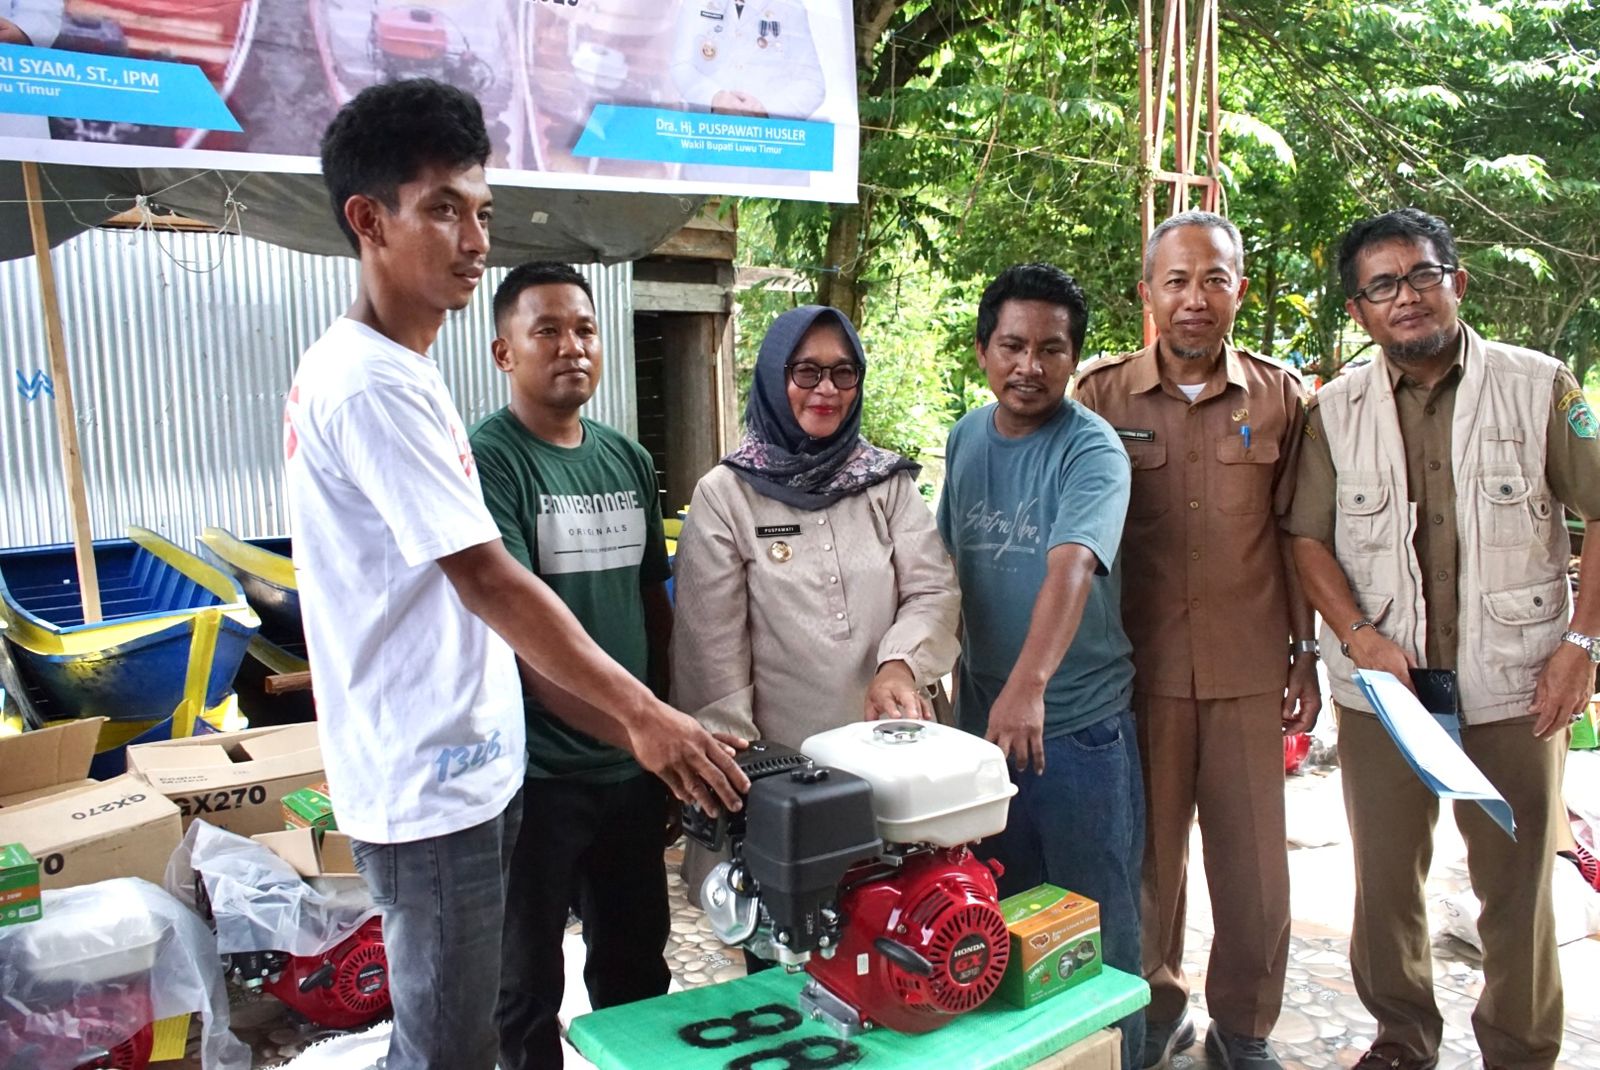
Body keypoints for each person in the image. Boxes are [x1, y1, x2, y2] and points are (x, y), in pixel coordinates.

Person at [284, 79, 746, 1070]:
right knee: (459, 1043)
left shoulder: (404, 372)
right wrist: (646, 718)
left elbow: (642, 599)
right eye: (442, 209)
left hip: (470, 773)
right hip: (431, 787)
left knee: (522, 1008)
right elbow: (491, 581)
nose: (473, 239)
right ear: (368, 220)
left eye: (482, 212)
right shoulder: (370, 385)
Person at [1286, 207, 1600, 1070]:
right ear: (1359, 310)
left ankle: (1520, 1052)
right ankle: (1401, 1041)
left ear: (1456, 281)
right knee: (1387, 884)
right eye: (1382, 285)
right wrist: (1357, 636)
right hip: (1388, 693)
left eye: (1422, 275)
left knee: (1517, 890)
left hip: (1517, 684)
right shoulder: (1332, 411)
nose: (1407, 296)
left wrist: (1583, 646)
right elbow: (1305, 538)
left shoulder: (1540, 388)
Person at [1074, 212, 1320, 1070]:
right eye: (1176, 280)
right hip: (1132, 673)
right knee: (1145, 861)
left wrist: (1306, 656)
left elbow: (1299, 536)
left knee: (1254, 871)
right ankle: (1155, 1011)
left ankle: (1243, 1028)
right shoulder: (1101, 397)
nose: (1194, 299)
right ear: (1147, 291)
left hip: (1249, 671)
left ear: (1238, 290)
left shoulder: (1281, 398)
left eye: (1214, 279)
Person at [671, 304, 960, 919]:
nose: (826, 389)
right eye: (806, 371)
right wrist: (745, 785)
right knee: (792, 946)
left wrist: (901, 665)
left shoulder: (885, 483)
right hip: (787, 782)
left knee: (900, 930)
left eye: (842, 372)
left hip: (895, 766)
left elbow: (933, 590)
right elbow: (711, 657)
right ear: (775, 376)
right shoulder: (726, 496)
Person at [937, 263, 1144, 1069]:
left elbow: (1071, 565)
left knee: (1096, 927)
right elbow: (945, 566)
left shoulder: (1092, 449)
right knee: (994, 917)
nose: (1030, 366)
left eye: (1051, 349)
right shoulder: (966, 437)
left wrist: (1028, 686)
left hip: (1076, 729)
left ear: (1074, 359)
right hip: (983, 729)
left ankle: (1122, 1055)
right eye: (1013, 346)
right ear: (983, 351)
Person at [470, 261, 675, 1069]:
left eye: (585, 329)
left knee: (637, 971)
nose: (572, 347)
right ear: (504, 352)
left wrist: (661, 736)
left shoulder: (628, 459)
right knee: (524, 986)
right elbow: (519, 632)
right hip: (536, 778)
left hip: (631, 772)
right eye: (547, 331)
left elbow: (654, 603)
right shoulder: (489, 462)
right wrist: (638, 728)